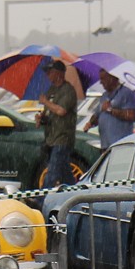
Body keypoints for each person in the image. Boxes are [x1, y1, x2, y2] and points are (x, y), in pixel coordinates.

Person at [36, 59, 79, 188]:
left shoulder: (68, 90)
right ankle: (74, 193)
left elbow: (61, 110)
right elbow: (50, 113)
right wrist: (41, 118)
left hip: (62, 138)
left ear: (59, 73)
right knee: (65, 173)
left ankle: (41, 200)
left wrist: (46, 102)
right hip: (51, 138)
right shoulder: (52, 90)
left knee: (52, 172)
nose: (48, 75)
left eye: (50, 72)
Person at [86, 69, 135, 147]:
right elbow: (98, 114)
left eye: (103, 79)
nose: (101, 82)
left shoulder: (125, 93)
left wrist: (110, 110)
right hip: (105, 144)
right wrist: (90, 123)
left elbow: (131, 115)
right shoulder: (104, 96)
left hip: (119, 144)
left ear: (111, 78)